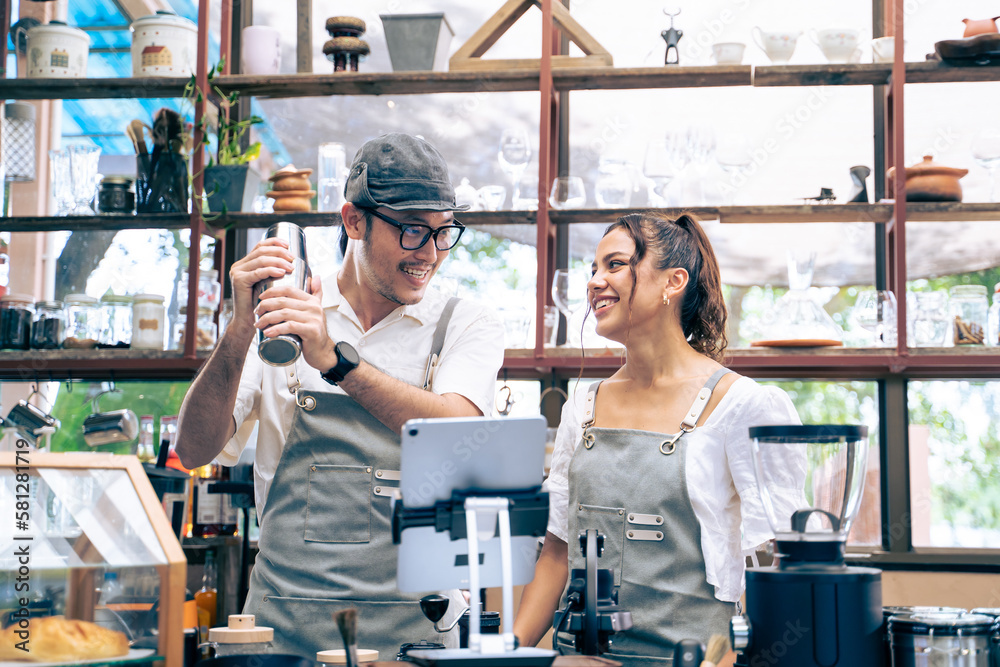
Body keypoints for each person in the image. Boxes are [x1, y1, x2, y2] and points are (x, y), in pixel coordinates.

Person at [175, 133, 504, 659]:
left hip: (419, 633)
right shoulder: (283, 310)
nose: (430, 254)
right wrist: (239, 329)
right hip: (283, 630)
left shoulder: (463, 323)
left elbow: (458, 435)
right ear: (354, 221)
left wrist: (335, 360)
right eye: (413, 231)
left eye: (444, 234)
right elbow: (191, 451)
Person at [513, 212, 803, 664]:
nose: (594, 282)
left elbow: (778, 566)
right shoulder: (582, 407)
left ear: (674, 282)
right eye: (593, 269)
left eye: (614, 265)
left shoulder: (743, 406)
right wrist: (506, 654)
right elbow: (556, 553)